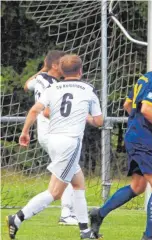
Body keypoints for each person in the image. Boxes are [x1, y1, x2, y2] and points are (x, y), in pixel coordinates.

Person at [89, 44, 152, 240]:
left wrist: (146, 126)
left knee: (138, 186)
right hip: (140, 138)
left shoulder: (143, 78)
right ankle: (149, 236)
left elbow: (127, 105)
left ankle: (99, 214)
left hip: (134, 134)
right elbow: (147, 109)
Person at [7, 54, 103, 239]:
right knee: (55, 192)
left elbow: (41, 110)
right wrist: (84, 116)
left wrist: (25, 132)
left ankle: (85, 231)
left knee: (78, 183)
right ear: (81, 71)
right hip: (70, 143)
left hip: (53, 140)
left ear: (63, 71)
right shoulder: (88, 89)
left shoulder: (54, 87)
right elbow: (99, 121)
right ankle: (17, 218)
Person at [24, 50, 79, 226]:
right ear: (55, 65)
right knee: (68, 171)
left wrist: (44, 69)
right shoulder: (53, 85)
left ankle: (70, 212)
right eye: (62, 63)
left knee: (68, 171)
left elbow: (27, 85)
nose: (65, 66)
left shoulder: (41, 79)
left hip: (45, 133)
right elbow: (47, 112)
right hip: (52, 131)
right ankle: (66, 213)